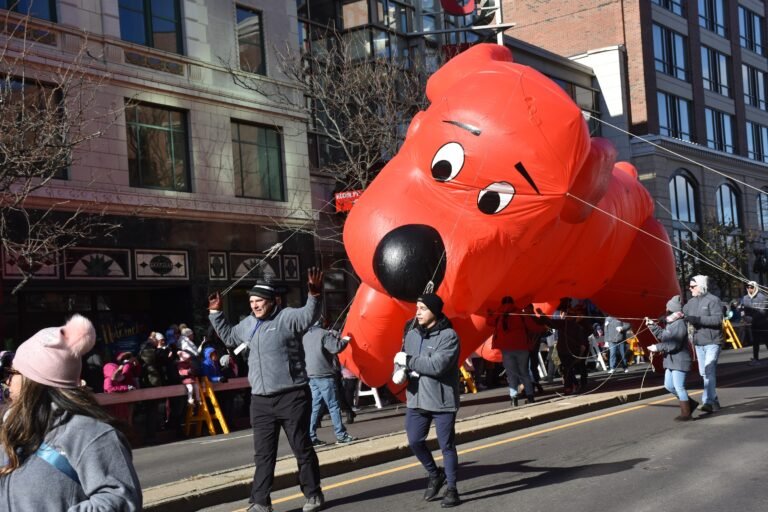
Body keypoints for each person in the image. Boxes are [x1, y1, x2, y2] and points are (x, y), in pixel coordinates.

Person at [208, 268, 325, 512]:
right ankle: (261, 502)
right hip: (260, 400)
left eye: (259, 301)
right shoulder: (247, 324)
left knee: (301, 448)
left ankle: (313, 494)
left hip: (292, 396)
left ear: (272, 301)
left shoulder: (287, 318)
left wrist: (314, 294)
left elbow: (308, 316)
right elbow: (230, 338)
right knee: (263, 455)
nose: (255, 306)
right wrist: (216, 313)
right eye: (251, 302)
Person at [0, 314, 142, 510]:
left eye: (13, 373)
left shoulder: (90, 434)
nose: (7, 381)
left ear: (33, 381)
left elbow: (120, 501)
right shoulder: (13, 430)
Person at [393, 293, 461, 508]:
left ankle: (452, 489)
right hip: (416, 399)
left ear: (435, 311)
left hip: (441, 400)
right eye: (417, 308)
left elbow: (437, 365)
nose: (418, 312)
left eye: (422, 308)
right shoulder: (412, 335)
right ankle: (435, 474)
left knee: (446, 446)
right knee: (414, 441)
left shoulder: (449, 336)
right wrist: (399, 370)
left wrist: (409, 362)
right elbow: (402, 357)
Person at [302, 323, 355, 446]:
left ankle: (311, 436)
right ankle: (341, 435)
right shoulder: (324, 334)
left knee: (315, 406)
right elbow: (336, 348)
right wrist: (345, 340)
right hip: (325, 375)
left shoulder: (305, 336)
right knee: (334, 406)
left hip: (312, 375)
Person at [646, 296, 697, 421]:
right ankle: (690, 403)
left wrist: (657, 347)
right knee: (669, 386)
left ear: (672, 309)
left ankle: (686, 413)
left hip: (680, 360)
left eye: (667, 307)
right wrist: (652, 326)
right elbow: (664, 336)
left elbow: (674, 344)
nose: (666, 309)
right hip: (671, 360)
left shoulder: (679, 324)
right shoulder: (671, 322)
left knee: (679, 387)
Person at [683, 275, 724, 414]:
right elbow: (681, 314)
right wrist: (667, 316)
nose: (690, 289)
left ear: (701, 286)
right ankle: (714, 401)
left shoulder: (713, 300)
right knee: (704, 373)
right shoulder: (690, 303)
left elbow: (718, 320)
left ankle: (707, 401)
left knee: (708, 371)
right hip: (699, 343)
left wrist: (697, 319)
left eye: (692, 286)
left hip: (713, 342)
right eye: (689, 286)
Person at [486, 297, 537, 406]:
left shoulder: (498, 314)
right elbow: (532, 326)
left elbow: (489, 322)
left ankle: (514, 398)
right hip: (522, 347)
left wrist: (489, 314)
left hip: (506, 348)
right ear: (513, 303)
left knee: (511, 374)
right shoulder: (520, 313)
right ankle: (530, 396)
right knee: (524, 372)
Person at [741, 281, 768, 365]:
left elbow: (763, 311)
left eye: (751, 287)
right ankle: (756, 359)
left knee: (767, 341)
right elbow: (744, 309)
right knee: (755, 342)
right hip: (753, 325)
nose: (749, 289)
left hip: (764, 324)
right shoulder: (745, 298)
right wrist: (744, 316)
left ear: (755, 287)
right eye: (747, 287)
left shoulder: (763, 297)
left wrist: (752, 318)